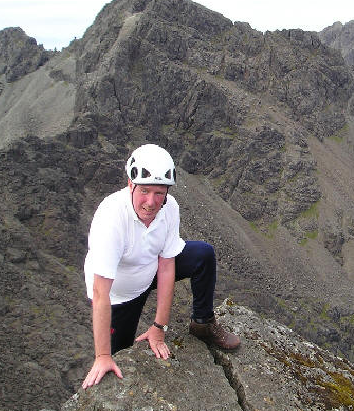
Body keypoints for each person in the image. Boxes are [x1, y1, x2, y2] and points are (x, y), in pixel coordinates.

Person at [82, 144, 240, 388]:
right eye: (144, 191)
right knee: (119, 358)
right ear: (130, 184)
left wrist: (159, 327)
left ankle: (203, 324)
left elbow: (166, 266)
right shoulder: (111, 219)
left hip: (149, 271)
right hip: (119, 296)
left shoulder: (169, 208)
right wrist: (102, 356)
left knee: (202, 255)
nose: (151, 202)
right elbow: (100, 292)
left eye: (159, 193)